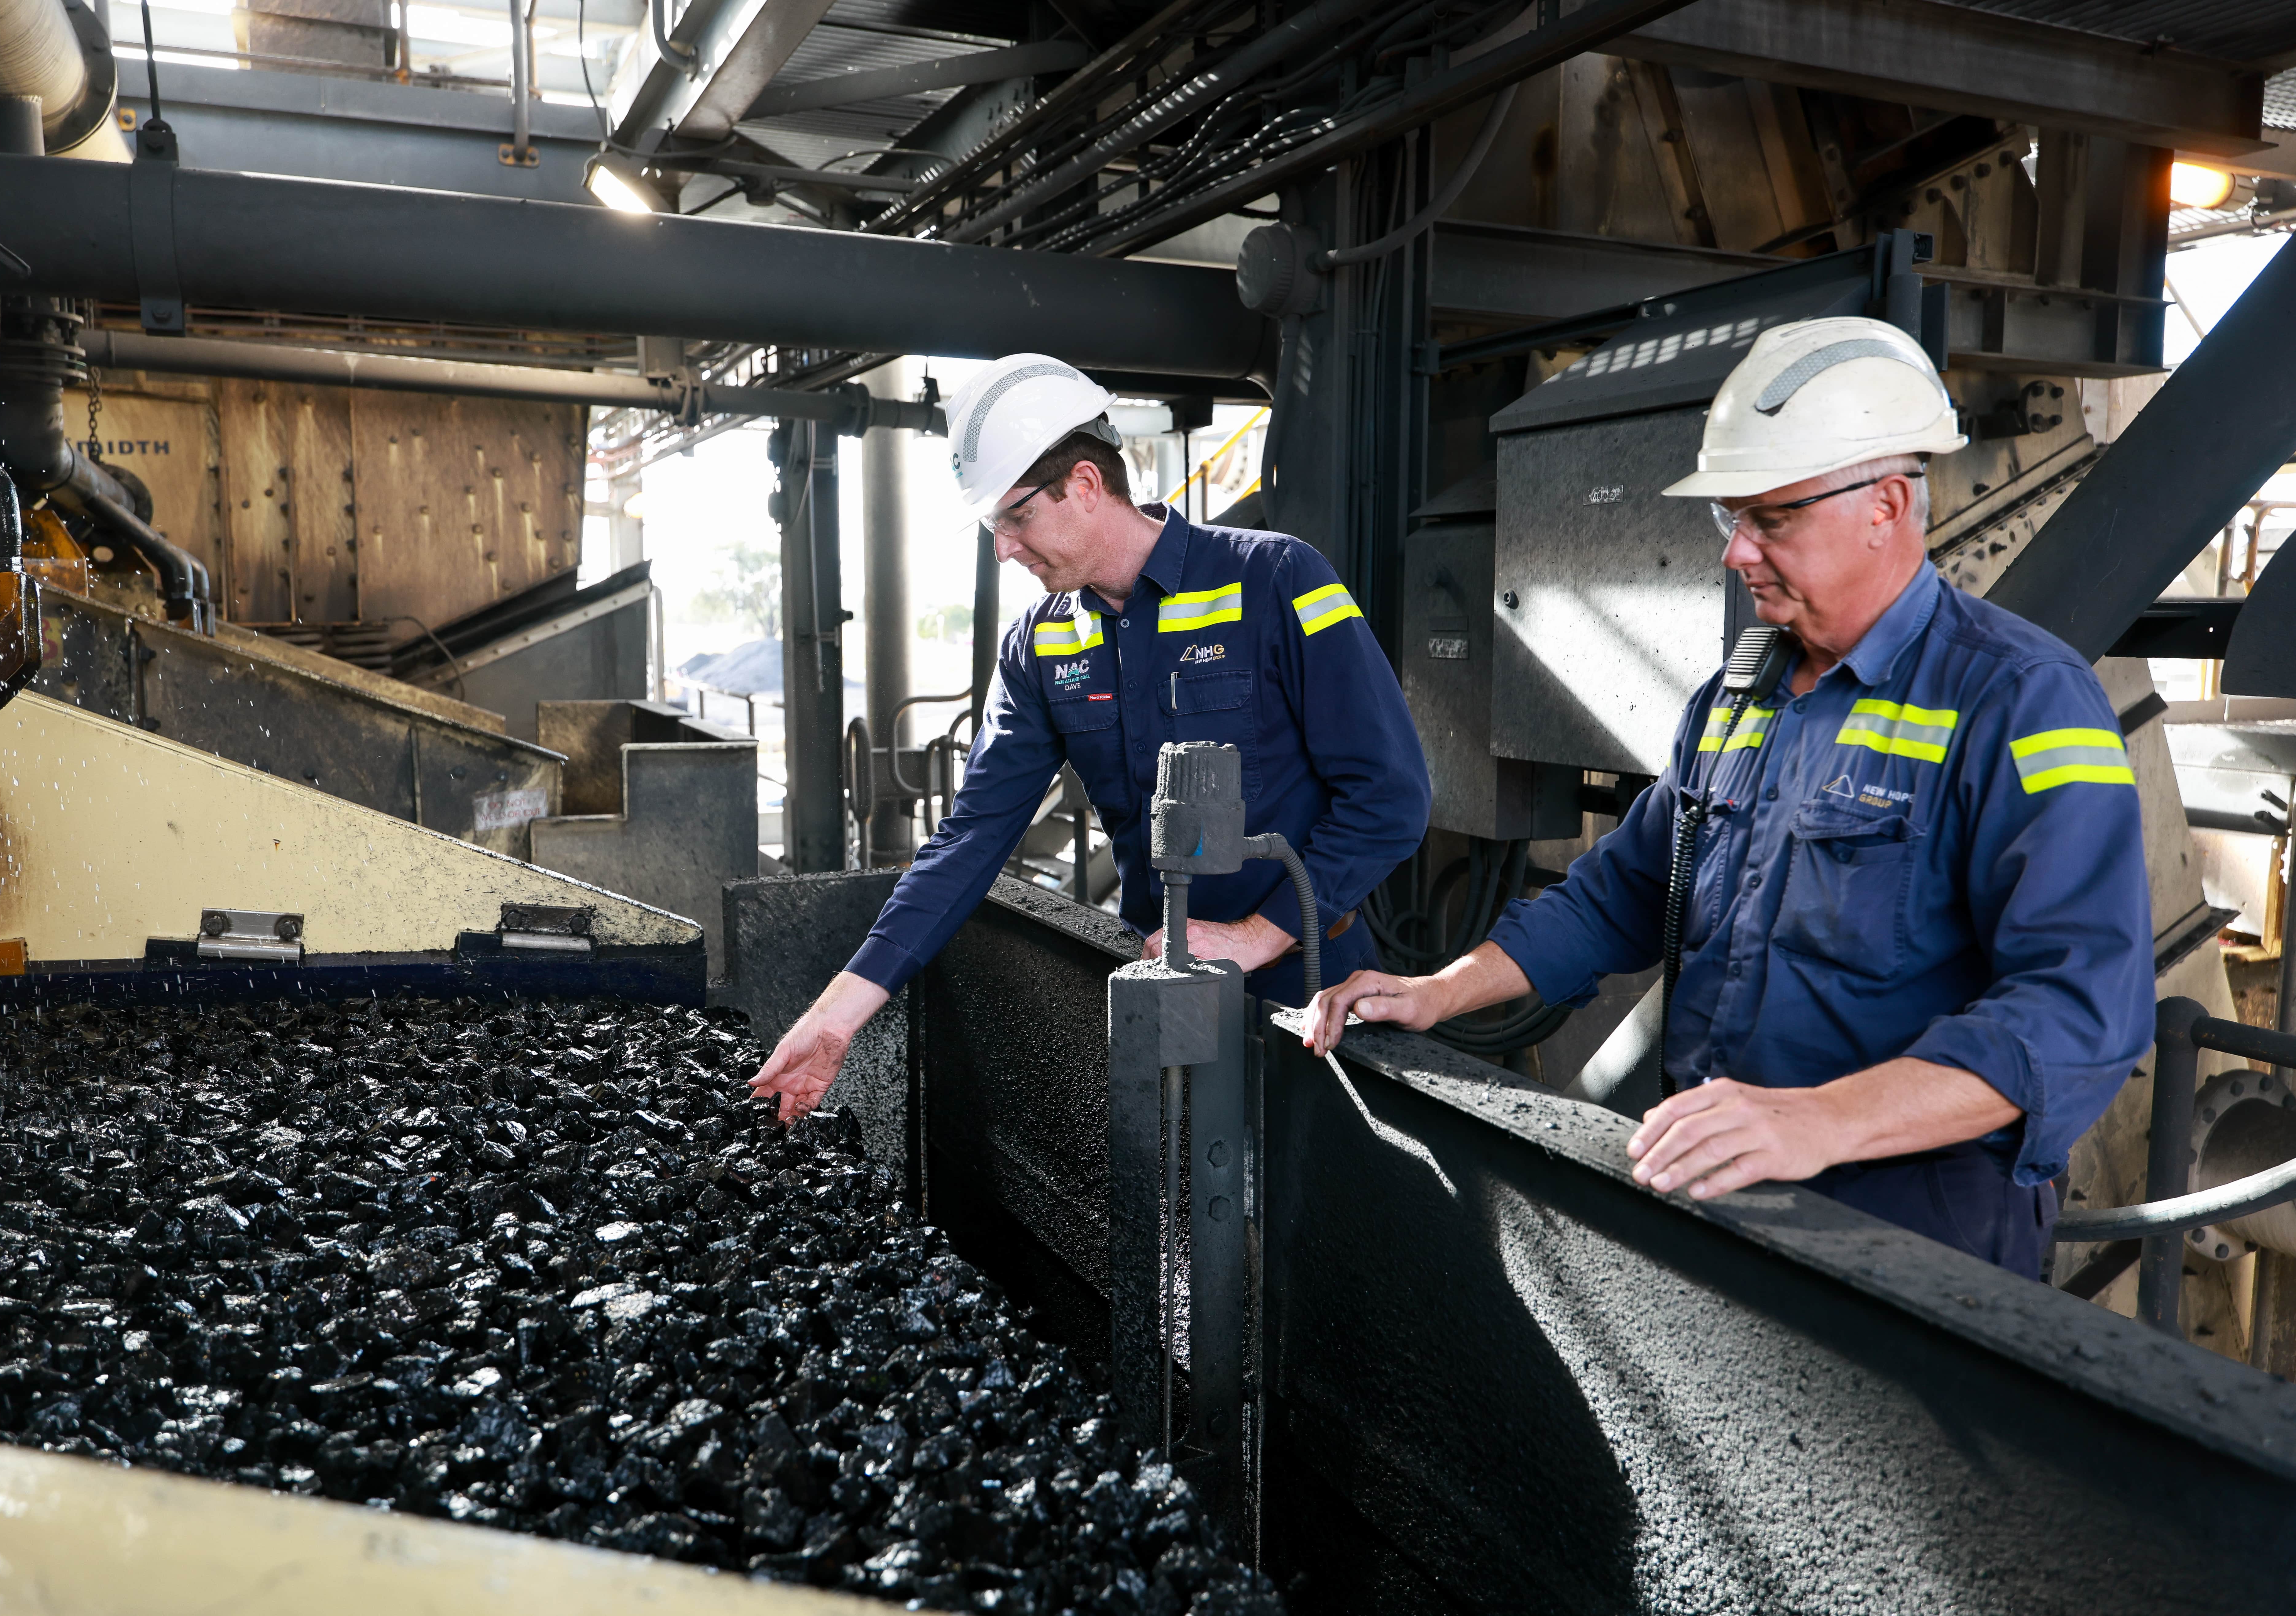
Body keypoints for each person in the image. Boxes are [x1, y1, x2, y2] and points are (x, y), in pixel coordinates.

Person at [1305, 316, 2152, 1279]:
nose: (1735, 554)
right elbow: (1621, 894)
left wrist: (1818, 1121)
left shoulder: (2021, 702)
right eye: (1730, 519)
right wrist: (1438, 993)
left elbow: (2077, 1009)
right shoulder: (1735, 698)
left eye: (1772, 519)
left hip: (1916, 1236)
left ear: (1886, 504)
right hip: (1729, 1191)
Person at [752, 354, 1430, 1123]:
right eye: (993, 526)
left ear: (1083, 485)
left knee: (1316, 1222)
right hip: (1164, 983)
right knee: (1179, 1207)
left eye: (1015, 517)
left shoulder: (1276, 581)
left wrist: (1254, 936)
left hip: (1313, 983)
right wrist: (835, 1015)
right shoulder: (1041, 646)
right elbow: (971, 837)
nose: (1003, 548)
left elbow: (1393, 795)